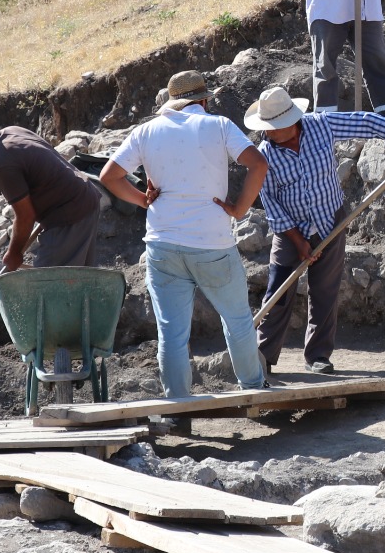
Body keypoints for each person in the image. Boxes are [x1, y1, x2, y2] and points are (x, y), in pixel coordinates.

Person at [98, 70, 269, 397]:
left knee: (172, 333)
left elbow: (109, 176)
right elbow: (258, 165)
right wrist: (239, 209)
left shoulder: (146, 131)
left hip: (163, 245)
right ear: (204, 100)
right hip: (212, 243)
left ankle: (178, 402)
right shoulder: (218, 125)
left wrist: (143, 201)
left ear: (172, 102)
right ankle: (253, 388)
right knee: (236, 320)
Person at [244, 86, 385, 374]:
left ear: (291, 122)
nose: (267, 133)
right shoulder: (263, 155)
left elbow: (366, 122)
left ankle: (318, 356)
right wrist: (298, 240)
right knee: (279, 291)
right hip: (290, 229)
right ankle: (262, 357)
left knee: (325, 290)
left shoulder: (321, 125)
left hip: (330, 219)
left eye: (273, 128)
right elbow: (271, 203)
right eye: (265, 128)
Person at [0, 114, 104, 271]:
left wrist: (14, 253)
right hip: (84, 198)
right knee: (78, 282)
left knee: (47, 288)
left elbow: (25, 216)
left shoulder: (3, 163)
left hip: (70, 216)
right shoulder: (11, 132)